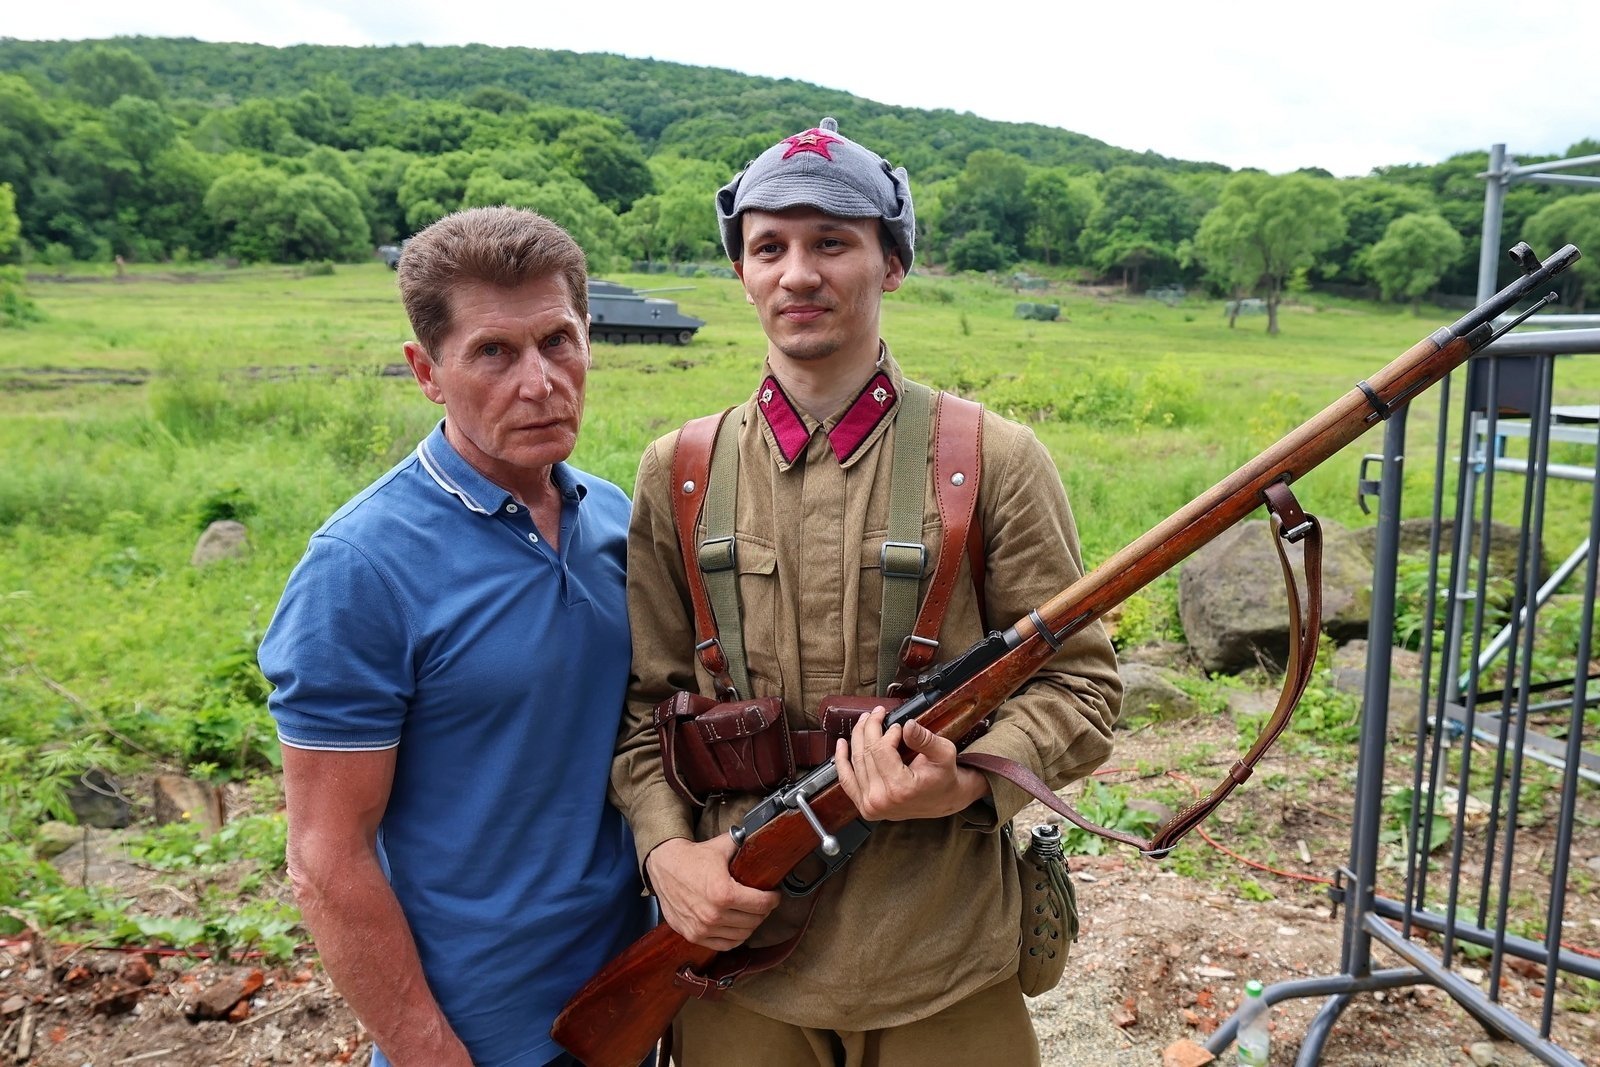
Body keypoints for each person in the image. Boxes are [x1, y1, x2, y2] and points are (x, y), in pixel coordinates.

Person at [610, 119, 1123, 1065]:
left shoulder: (994, 459)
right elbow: (646, 706)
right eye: (770, 246)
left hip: (941, 951)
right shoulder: (678, 470)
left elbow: (1082, 685)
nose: (798, 273)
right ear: (741, 271)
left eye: (832, 242)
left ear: (892, 264)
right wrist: (665, 853)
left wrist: (966, 781)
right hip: (738, 956)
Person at [258, 206, 650, 1067]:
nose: (540, 381)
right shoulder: (359, 568)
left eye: (558, 340)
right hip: (479, 1033)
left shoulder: (613, 519)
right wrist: (427, 1048)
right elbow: (327, 856)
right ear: (426, 371)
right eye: (494, 352)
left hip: (633, 994)